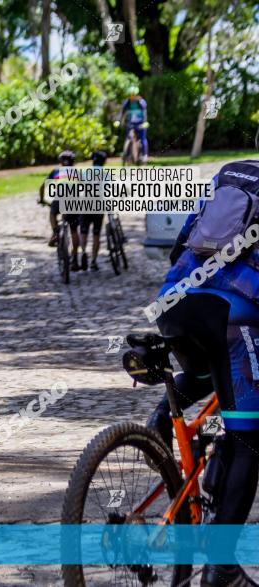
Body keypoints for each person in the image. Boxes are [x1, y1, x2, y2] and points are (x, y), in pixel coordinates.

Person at [143, 163, 259, 586]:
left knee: (221, 368)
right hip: (231, 311)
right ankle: (221, 569)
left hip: (174, 300)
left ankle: (160, 418)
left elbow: (181, 243)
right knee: (249, 439)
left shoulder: (230, 174)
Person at [39, 150, 81, 271]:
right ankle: (75, 258)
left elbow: (43, 186)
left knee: (52, 213)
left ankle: (56, 233)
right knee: (74, 230)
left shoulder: (56, 171)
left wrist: (42, 199)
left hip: (60, 199)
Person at [78, 151, 107, 271]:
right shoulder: (105, 174)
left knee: (84, 232)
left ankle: (83, 251)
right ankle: (94, 260)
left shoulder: (86, 173)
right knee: (96, 234)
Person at [115, 86, 149, 162]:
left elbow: (145, 114)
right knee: (128, 138)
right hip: (130, 124)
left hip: (140, 124)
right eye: (131, 95)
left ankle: (144, 155)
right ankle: (127, 154)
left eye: (134, 95)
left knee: (142, 139)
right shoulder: (127, 103)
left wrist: (145, 122)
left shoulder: (141, 103)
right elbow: (122, 113)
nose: (132, 97)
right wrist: (118, 121)